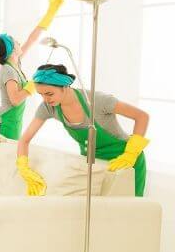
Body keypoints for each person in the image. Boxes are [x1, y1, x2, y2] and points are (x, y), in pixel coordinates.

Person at [16, 63, 150, 197]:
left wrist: (130, 155)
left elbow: (142, 117)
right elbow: (24, 140)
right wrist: (24, 168)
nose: (45, 99)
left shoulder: (98, 101)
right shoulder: (49, 107)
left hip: (125, 162)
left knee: (128, 211)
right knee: (99, 213)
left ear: (65, 86)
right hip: (94, 165)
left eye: (49, 93)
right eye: (41, 94)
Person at [0, 0, 65, 139]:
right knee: (4, 160)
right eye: (15, 41)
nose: (19, 42)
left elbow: (32, 38)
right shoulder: (8, 71)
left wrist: (51, 11)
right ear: (11, 50)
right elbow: (15, 100)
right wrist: (32, 86)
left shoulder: (15, 62)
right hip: (4, 122)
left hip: (11, 121)